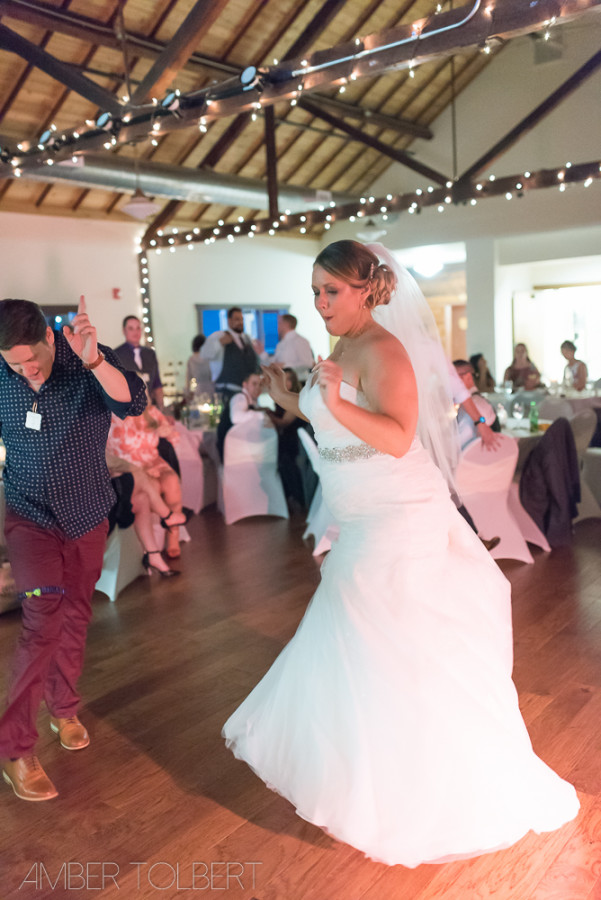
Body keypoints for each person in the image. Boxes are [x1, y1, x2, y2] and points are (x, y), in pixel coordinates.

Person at [223, 241, 579, 867]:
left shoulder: (385, 349)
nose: (319, 303)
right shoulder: (339, 346)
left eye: (330, 292)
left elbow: (394, 436)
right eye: (314, 292)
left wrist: (328, 402)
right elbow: (333, 420)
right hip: (361, 516)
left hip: (397, 518)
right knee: (363, 644)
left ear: (366, 290)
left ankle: (422, 784)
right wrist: (289, 398)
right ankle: (372, 774)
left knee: (386, 641)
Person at [0, 296, 147, 802]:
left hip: (85, 514)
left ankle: (63, 707)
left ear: (47, 334)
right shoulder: (3, 376)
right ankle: (16, 748)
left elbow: (133, 402)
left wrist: (95, 361)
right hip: (29, 517)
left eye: (31, 357)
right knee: (43, 617)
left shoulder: (84, 357)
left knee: (77, 613)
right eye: (13, 363)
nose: (26, 369)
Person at [106, 393, 188, 559]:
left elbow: (175, 438)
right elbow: (110, 453)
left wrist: (167, 432)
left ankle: (173, 536)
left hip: (153, 460)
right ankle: (160, 531)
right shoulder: (112, 417)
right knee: (155, 487)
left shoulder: (151, 412)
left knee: (172, 481)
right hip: (130, 466)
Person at [199, 307, 260, 398]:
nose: (240, 322)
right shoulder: (219, 336)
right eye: (237, 319)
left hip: (247, 393)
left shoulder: (246, 339)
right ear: (229, 321)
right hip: (227, 391)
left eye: (242, 319)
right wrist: (220, 343)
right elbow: (204, 354)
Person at [114, 315, 164, 409]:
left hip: (150, 407)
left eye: (138, 328)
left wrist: (161, 409)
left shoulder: (150, 353)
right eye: (131, 328)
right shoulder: (117, 354)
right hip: (129, 410)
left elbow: (157, 383)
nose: (135, 332)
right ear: (124, 331)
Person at [453, 358, 500, 450]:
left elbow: (459, 446)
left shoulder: (472, 408)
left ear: (468, 377)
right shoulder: (478, 401)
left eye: (453, 378)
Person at [272, 314, 314, 384]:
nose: (277, 326)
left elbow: (308, 363)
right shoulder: (280, 344)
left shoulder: (300, 341)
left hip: (298, 383)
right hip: (283, 383)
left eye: (279, 323)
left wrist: (285, 366)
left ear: (286, 324)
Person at [185, 334, 213, 399]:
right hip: (211, 389)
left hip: (199, 390)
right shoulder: (209, 357)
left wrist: (187, 393)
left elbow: (188, 379)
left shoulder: (191, 359)